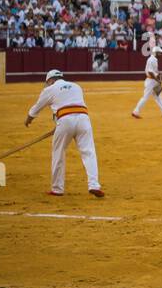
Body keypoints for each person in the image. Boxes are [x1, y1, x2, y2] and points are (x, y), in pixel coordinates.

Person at [25, 68, 104, 197]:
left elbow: (36, 108)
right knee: (89, 152)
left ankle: (57, 188)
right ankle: (94, 184)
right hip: (84, 119)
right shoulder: (76, 86)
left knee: (58, 153)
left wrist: (28, 120)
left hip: (64, 120)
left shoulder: (50, 89)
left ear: (50, 80)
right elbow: (71, 104)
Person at [131, 48, 162, 118]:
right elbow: (150, 72)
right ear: (155, 53)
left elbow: (153, 71)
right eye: (160, 53)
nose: (161, 54)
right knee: (145, 97)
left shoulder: (154, 59)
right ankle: (135, 112)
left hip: (153, 81)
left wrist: (158, 75)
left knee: (159, 97)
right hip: (151, 81)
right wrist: (158, 79)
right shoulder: (152, 60)